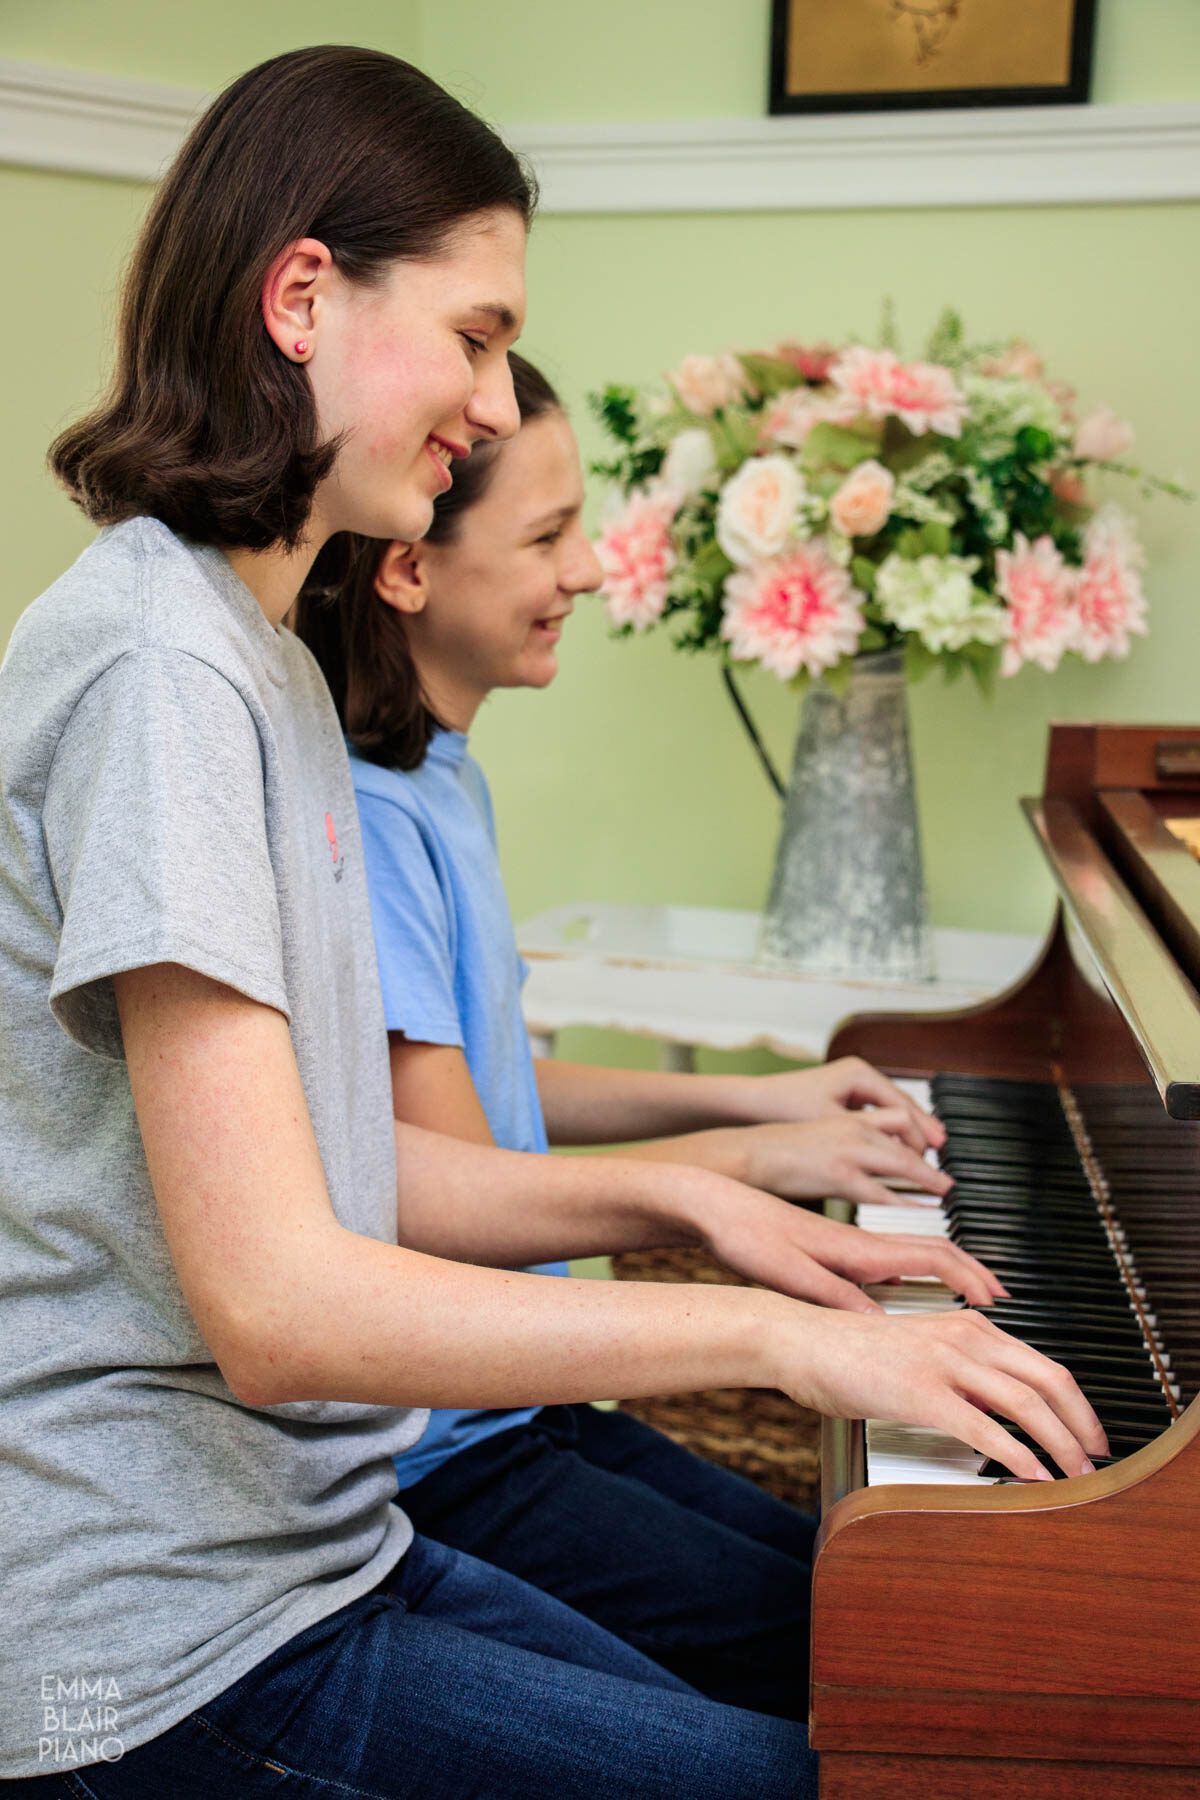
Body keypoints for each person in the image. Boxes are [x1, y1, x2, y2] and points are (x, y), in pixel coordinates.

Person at [0, 44, 1105, 1800]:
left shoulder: (260, 662)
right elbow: (282, 1304)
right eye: (476, 334)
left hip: (315, 1549)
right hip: (152, 1644)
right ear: (302, 298)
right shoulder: (159, 670)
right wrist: (772, 1333)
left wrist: (707, 1193)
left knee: (864, 1735)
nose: (500, 404)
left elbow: (363, 1171)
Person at [292, 353, 1018, 1718]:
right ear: (408, 570)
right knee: (872, 1649)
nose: (584, 572)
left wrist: (771, 1113)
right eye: (547, 537)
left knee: (856, 1585)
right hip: (451, 1456)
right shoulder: (372, 820)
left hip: (531, 1410)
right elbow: (454, 1198)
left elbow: (487, 1086)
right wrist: (734, 1210)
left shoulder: (438, 775)